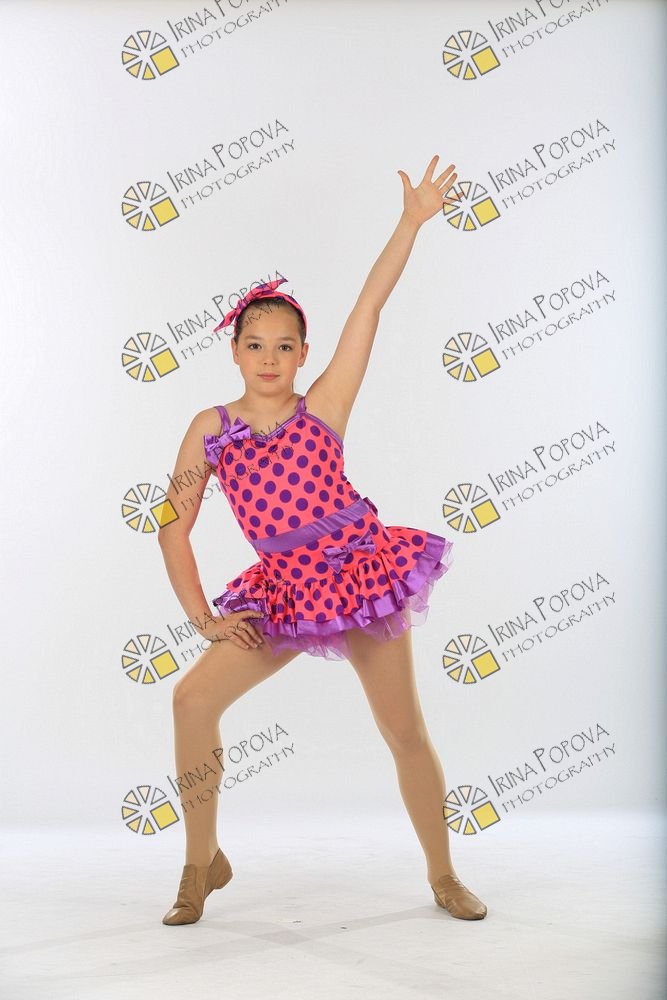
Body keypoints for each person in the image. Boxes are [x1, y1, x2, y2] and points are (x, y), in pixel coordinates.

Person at [158, 155, 487, 925]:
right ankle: (201, 863)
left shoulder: (324, 407)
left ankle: (443, 873)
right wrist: (203, 618)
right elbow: (173, 528)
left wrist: (409, 222)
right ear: (234, 351)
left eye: (284, 346)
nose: (270, 359)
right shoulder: (210, 429)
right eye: (255, 345)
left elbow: (369, 304)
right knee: (191, 700)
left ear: (303, 354)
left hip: (358, 572)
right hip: (283, 590)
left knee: (402, 729)